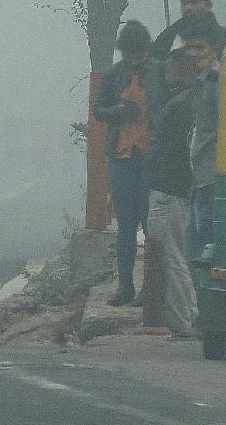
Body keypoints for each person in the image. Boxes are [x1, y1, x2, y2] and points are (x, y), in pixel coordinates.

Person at [95, 20, 159, 306]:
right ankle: (125, 286)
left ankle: (151, 287)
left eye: (139, 54)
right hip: (122, 157)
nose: (134, 60)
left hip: (151, 159)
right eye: (129, 54)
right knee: (126, 226)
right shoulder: (114, 75)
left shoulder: (160, 73)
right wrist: (117, 112)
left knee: (151, 225)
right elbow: (99, 110)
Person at [144, 45, 202, 337]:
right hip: (176, 189)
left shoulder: (182, 104)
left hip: (169, 188)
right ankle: (187, 319)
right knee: (178, 255)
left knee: (173, 255)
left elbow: (180, 149)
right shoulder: (189, 102)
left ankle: (184, 321)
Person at [187, 18, 226, 289]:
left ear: (213, 49)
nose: (194, 54)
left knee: (206, 233)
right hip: (197, 168)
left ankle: (204, 290)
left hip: (210, 167)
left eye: (200, 48)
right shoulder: (197, 79)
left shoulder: (216, 81)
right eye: (190, 48)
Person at [154, 0, 226, 57]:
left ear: (209, 5)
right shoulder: (168, 37)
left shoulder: (225, 38)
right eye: (184, 3)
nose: (187, 7)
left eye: (194, 2)